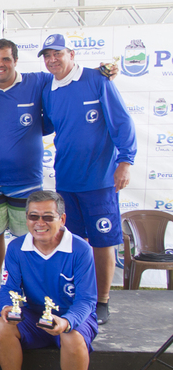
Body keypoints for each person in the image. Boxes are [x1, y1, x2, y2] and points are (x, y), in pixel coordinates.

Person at [0, 39, 120, 301]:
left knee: (31, 237)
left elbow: (66, 74)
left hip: (27, 180)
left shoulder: (38, 81)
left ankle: (33, 292)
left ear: (16, 60)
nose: (0, 65)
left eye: (6, 59)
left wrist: (104, 70)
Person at [40, 34, 136, 325]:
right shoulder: (49, 89)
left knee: (103, 242)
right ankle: (80, 298)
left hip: (100, 181)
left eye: (58, 54)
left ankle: (102, 300)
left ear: (71, 53)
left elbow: (121, 123)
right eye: (47, 55)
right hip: (67, 181)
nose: (52, 60)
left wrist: (126, 162)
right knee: (74, 243)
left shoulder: (97, 79)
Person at [0, 190, 97, 370]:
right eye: (33, 216)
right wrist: (7, 307)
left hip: (72, 315)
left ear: (63, 219)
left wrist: (67, 321)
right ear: (26, 218)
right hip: (34, 315)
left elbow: (87, 299)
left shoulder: (81, 249)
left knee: (72, 334)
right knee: (2, 325)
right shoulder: (16, 247)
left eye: (48, 217)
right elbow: (9, 288)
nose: (39, 223)